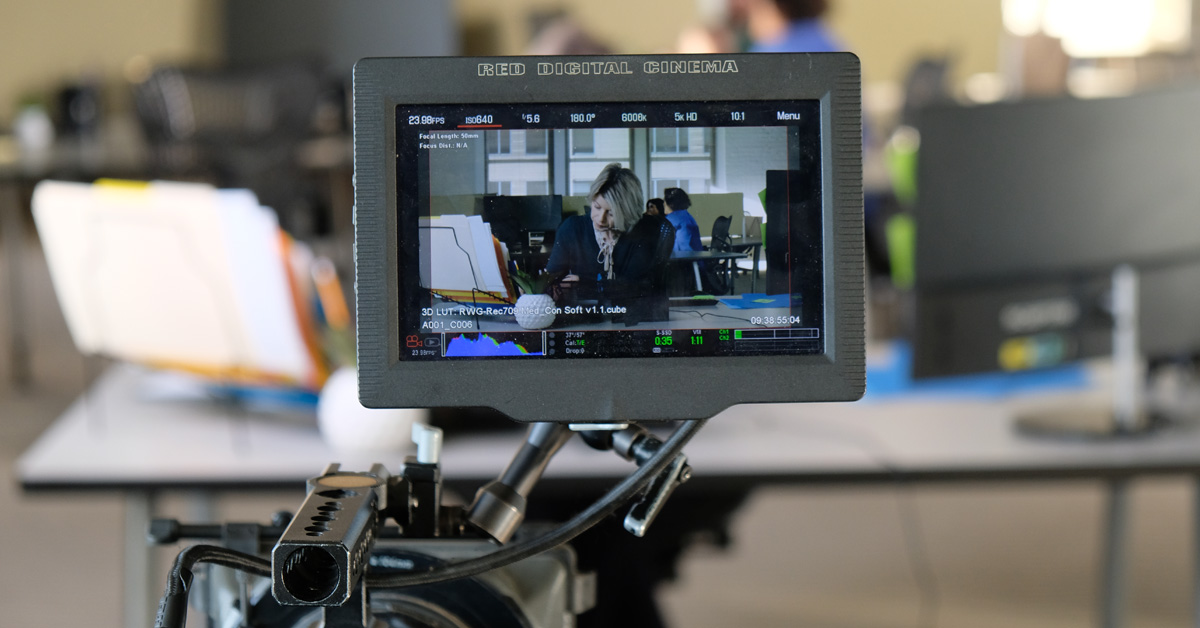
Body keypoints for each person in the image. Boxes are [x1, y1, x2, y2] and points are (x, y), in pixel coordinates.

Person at [545, 163, 674, 304]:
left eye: (611, 213)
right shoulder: (572, 228)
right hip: (587, 317)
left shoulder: (645, 231)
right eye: (597, 207)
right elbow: (551, 277)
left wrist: (590, 285)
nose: (600, 218)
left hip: (632, 319)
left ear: (627, 213)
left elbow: (639, 286)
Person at [662, 188, 703, 253]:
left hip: (681, 259)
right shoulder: (687, 217)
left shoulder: (672, 219)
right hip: (694, 259)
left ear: (670, 203)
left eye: (664, 201)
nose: (663, 204)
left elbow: (683, 247)